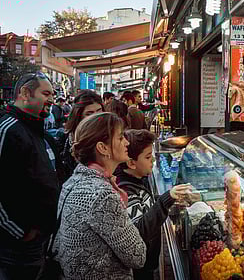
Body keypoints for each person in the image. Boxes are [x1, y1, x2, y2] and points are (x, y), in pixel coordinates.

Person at [53, 112, 146, 279]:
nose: (127, 142)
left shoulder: (73, 181)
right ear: (102, 148)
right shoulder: (103, 195)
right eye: (120, 138)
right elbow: (137, 256)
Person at [0, 72, 60, 280]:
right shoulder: (8, 130)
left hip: (40, 241)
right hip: (15, 248)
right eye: (45, 93)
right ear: (25, 93)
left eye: (52, 94)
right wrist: (20, 231)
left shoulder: (35, 130)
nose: (52, 99)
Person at [115, 129, 191, 280]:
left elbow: (146, 206)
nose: (154, 161)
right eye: (148, 157)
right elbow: (139, 230)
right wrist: (166, 199)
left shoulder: (138, 180)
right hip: (140, 268)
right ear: (131, 163)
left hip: (148, 262)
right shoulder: (125, 191)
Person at [61, 90, 104, 179]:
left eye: (99, 111)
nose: (96, 116)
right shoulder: (68, 137)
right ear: (79, 115)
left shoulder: (108, 134)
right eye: (89, 113)